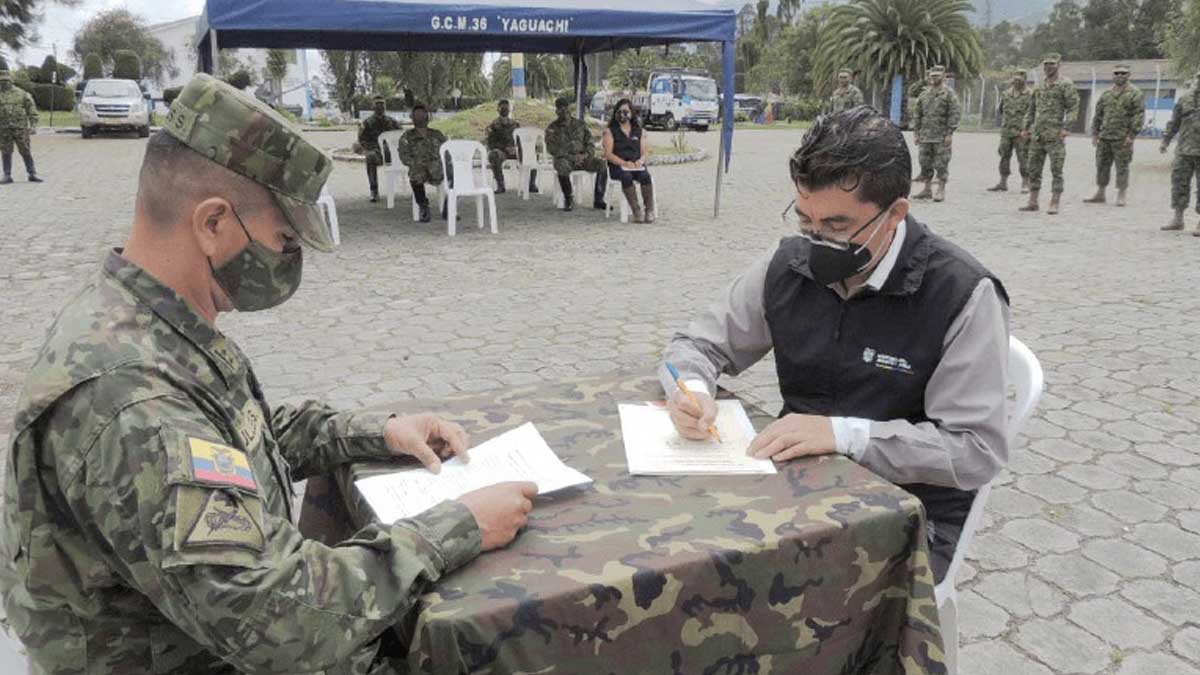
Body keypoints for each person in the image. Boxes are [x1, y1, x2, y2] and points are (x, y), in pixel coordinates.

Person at [0, 73, 537, 673]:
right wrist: (456, 526)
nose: (289, 260)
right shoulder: (131, 396)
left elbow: (234, 439)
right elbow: (279, 618)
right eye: (284, 239)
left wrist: (374, 432)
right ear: (213, 224)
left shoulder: (141, 319)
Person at [661, 106, 1010, 584]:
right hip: (795, 487)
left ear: (896, 214)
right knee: (679, 546)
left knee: (753, 590)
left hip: (907, 515)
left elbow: (975, 450)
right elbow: (697, 344)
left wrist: (847, 436)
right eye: (806, 220)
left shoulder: (960, 294)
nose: (817, 240)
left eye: (838, 227)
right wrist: (693, 389)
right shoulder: (787, 265)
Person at [1020, 52, 1079, 215]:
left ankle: (1054, 202)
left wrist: (1067, 127)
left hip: (1055, 135)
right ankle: (1033, 201)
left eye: (1052, 64)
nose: (1048, 67)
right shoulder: (1039, 86)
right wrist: (1026, 128)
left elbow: (1073, 107)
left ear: (1059, 65)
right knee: (1033, 169)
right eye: (1046, 64)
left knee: (1056, 170)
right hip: (1038, 135)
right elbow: (1031, 109)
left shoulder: (1065, 84)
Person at [1083, 64, 1144, 207]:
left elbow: (1138, 115)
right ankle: (1100, 192)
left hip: (1122, 138)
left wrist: (1131, 135)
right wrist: (1095, 133)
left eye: (1123, 73)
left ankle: (1121, 194)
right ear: (1113, 75)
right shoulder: (1106, 94)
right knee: (1102, 165)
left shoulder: (1135, 93)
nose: (1120, 76)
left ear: (1129, 75)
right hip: (1105, 137)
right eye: (1117, 73)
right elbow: (1098, 114)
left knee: (1122, 166)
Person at [545, 96, 606, 212]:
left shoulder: (580, 124)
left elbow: (590, 142)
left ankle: (599, 199)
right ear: (556, 111)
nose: (564, 112)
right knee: (561, 166)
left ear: (569, 109)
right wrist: (571, 157)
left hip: (583, 158)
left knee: (602, 165)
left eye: (566, 109)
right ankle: (568, 198)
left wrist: (586, 155)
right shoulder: (552, 128)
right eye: (560, 109)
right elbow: (552, 149)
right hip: (565, 159)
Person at [911, 65, 961, 202]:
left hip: (941, 136)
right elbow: (918, 114)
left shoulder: (949, 94)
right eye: (932, 76)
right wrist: (916, 132)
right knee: (924, 162)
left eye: (937, 75)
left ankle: (940, 189)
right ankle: (927, 189)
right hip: (925, 136)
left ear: (943, 77)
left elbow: (955, 113)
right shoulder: (924, 94)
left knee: (941, 164)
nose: (934, 78)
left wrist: (950, 133)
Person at [602, 97, 655, 223]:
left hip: (636, 165)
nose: (622, 115)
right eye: (619, 112)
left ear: (631, 113)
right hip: (618, 166)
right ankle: (636, 210)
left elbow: (644, 152)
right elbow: (608, 154)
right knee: (626, 176)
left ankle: (649, 210)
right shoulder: (609, 132)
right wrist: (624, 163)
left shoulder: (640, 131)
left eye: (625, 112)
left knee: (645, 176)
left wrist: (640, 161)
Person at [1160, 69, 1200, 234]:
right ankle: (1178, 218)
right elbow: (1174, 122)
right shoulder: (1185, 98)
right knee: (1179, 183)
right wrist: (1165, 141)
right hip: (1184, 150)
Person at [397, 102, 448, 223]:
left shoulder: (437, 134)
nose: (420, 118)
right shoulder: (407, 136)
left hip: (437, 168)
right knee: (415, 175)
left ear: (427, 117)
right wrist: (416, 163)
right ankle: (423, 207)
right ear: (413, 118)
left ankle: (449, 207)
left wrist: (443, 163)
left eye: (422, 115)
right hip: (419, 168)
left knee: (453, 174)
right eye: (417, 116)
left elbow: (448, 150)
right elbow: (404, 155)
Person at [987, 68, 1032, 193]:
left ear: (1025, 80)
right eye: (1015, 79)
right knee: (1004, 156)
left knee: (1023, 158)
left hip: (1022, 133)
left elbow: (1034, 113)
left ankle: (1025, 183)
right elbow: (1001, 110)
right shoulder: (1006, 94)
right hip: (1007, 132)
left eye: (1020, 79)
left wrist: (1029, 130)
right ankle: (1002, 182)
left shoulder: (1031, 95)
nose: (1017, 81)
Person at [485, 99, 537, 195]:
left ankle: (531, 184)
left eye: (506, 107)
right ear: (498, 109)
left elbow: (520, 139)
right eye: (502, 107)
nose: (504, 109)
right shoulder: (493, 126)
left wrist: (516, 148)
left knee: (531, 152)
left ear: (509, 109)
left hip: (515, 151)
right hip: (502, 152)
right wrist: (505, 148)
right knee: (493, 155)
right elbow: (491, 143)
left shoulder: (515, 124)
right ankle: (501, 185)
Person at [0, 68, 42, 184]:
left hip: (20, 129)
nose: (4, 83)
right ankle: (7, 175)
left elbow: (31, 109)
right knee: (5, 151)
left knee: (25, 150)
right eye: (1, 81)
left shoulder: (21, 94)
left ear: (11, 81)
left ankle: (32, 173)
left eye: (6, 81)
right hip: (4, 130)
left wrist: (33, 125)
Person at [355, 94, 400, 203]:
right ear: (373, 107)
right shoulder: (367, 123)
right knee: (370, 157)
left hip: (391, 153)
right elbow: (362, 140)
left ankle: (417, 190)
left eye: (382, 104)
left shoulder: (392, 121)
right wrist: (371, 148)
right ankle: (374, 191)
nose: (380, 106)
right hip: (376, 152)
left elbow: (401, 135)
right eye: (378, 104)